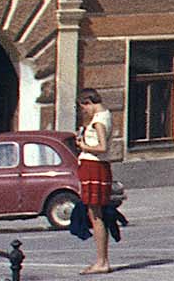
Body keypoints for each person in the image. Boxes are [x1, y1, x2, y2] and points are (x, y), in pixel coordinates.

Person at [76, 88, 114, 274]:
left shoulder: (98, 121)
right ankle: (101, 260)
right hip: (98, 167)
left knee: (96, 216)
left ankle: (101, 261)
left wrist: (83, 146)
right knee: (96, 214)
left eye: (84, 108)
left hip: (94, 166)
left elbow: (102, 147)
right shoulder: (106, 115)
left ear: (88, 102)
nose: (84, 111)